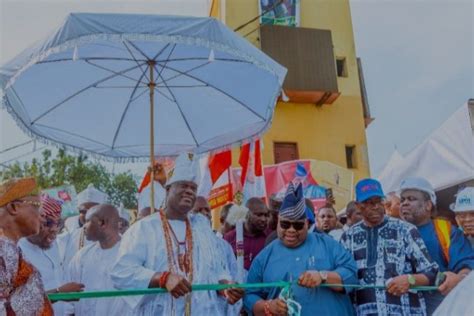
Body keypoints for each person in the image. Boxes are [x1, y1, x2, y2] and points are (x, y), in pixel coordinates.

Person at [111, 153, 243, 315]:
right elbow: (121, 272)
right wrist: (162, 278)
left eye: (193, 188)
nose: (189, 191)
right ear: (168, 190)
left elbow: (215, 270)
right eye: (183, 186)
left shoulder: (202, 229)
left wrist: (225, 287)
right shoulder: (144, 229)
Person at [244, 182, 358, 316]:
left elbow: (351, 274)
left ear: (307, 224)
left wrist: (323, 276)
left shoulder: (327, 244)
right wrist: (267, 306)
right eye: (285, 224)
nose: (291, 230)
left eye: (298, 226)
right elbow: (249, 295)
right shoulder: (265, 256)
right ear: (278, 222)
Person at [341, 178, 439, 316]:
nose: (375, 206)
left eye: (378, 201)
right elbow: (345, 279)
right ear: (358, 206)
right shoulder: (348, 237)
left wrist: (409, 280)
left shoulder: (405, 230)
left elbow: (432, 274)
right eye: (369, 203)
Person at [399, 177, 474, 314]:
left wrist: (459, 279)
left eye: (411, 199)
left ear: (428, 205)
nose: (404, 203)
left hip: (440, 309)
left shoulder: (446, 231)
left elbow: (465, 265)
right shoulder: (392, 232)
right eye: (402, 200)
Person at [19, 193, 84, 316]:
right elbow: (16, 303)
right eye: (48, 223)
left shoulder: (52, 246)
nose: (54, 229)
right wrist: (58, 293)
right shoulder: (17, 251)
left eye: (58, 223)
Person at [0, 177, 53, 315]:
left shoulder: (11, 249)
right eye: (36, 206)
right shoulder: (2, 249)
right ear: (13, 207)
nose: (42, 216)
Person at [68, 204, 129, 315]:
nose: (84, 226)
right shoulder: (82, 256)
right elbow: (71, 295)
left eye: (88, 221)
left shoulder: (130, 253)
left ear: (102, 223)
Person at [59, 184, 109, 269]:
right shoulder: (69, 232)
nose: (88, 215)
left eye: (94, 211)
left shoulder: (110, 236)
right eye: (84, 211)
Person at [224, 197, 269, 270]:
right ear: (246, 214)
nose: (263, 219)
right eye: (259, 215)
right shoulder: (229, 238)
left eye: (266, 215)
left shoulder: (270, 238)